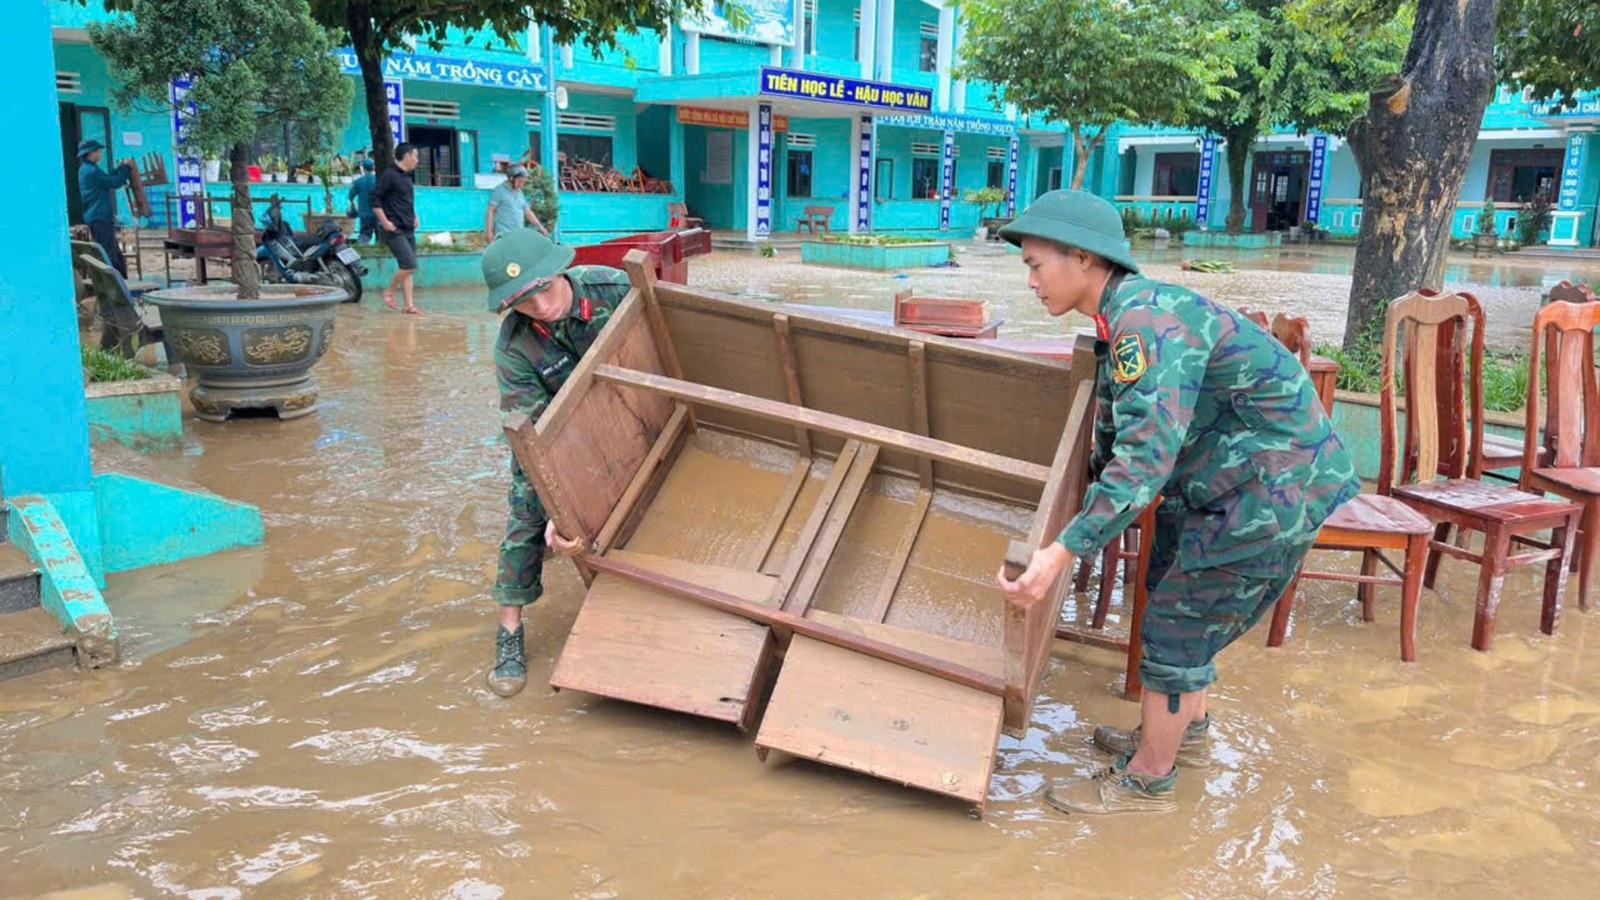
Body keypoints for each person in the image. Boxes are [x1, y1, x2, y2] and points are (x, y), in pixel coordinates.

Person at [993, 190, 1359, 815]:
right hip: (1228, 485)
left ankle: (1148, 779)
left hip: (1270, 491)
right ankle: (1183, 737)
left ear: (1082, 258)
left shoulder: (1144, 323)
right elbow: (1118, 440)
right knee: (1172, 594)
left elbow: (1144, 458)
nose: (1030, 281)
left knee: (1175, 626)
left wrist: (1061, 551)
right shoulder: (1124, 316)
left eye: (1035, 265)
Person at [480, 228, 632, 697]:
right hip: (559, 434)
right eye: (524, 302)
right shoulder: (514, 348)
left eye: (544, 290)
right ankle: (509, 632)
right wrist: (558, 504)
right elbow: (534, 436)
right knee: (526, 511)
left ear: (560, 271)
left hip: (635, 406)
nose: (541, 307)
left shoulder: (615, 289)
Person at [373, 142, 422, 315]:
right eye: (415, 156)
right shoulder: (389, 175)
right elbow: (375, 200)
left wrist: (414, 216)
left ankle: (409, 305)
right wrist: (385, 222)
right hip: (394, 229)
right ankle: (389, 291)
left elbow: (405, 201)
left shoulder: (407, 177)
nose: (417, 160)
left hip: (408, 227)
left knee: (409, 268)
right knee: (409, 263)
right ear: (407, 156)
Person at [77, 139, 132, 276]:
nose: (100, 154)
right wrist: (126, 169)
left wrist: (119, 169)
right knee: (108, 251)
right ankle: (115, 282)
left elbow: (106, 178)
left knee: (111, 250)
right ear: (91, 153)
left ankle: (120, 279)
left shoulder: (87, 169)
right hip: (99, 216)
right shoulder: (91, 171)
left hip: (96, 216)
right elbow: (114, 182)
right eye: (98, 151)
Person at [485, 164, 549, 243]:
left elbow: (527, 212)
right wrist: (489, 231)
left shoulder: (519, 192)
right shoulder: (499, 191)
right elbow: (490, 210)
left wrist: (540, 227)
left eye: (523, 182)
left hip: (518, 235)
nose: (521, 185)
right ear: (511, 178)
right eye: (520, 182)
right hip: (504, 236)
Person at [347, 157, 377, 244]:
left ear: (362, 168)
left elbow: (350, 196)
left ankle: (360, 251)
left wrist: (352, 205)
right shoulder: (379, 180)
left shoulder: (358, 182)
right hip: (379, 213)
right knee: (381, 236)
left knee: (365, 235)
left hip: (364, 213)